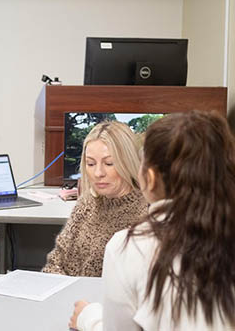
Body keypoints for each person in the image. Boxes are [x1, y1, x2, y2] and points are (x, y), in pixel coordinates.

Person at [70, 110, 235, 330]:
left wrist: (89, 318)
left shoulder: (128, 247)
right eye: (91, 164)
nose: (99, 173)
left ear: (150, 177)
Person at [42, 121, 148, 277]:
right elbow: (56, 261)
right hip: (70, 296)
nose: (98, 173)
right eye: (90, 164)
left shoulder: (147, 213)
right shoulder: (86, 203)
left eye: (109, 163)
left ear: (128, 162)